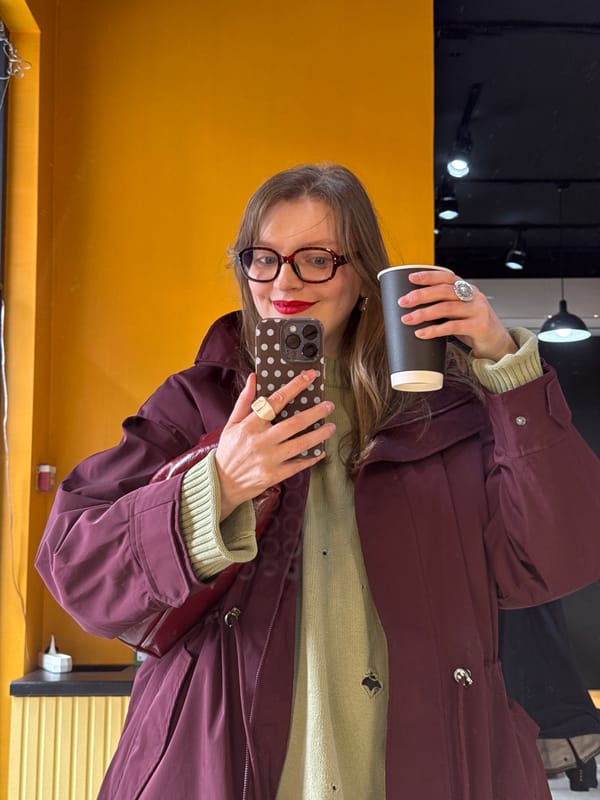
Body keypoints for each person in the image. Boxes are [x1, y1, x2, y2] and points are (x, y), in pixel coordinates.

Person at [35, 163, 600, 800]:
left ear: (362, 274)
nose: (284, 281)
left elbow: (558, 556)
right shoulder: (194, 405)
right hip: (224, 769)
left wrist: (506, 369)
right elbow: (77, 568)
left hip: (436, 763)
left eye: (316, 259)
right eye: (264, 258)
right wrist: (216, 483)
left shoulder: (450, 411)